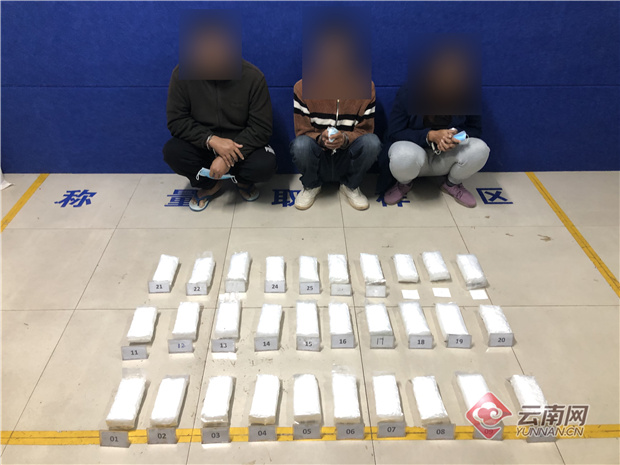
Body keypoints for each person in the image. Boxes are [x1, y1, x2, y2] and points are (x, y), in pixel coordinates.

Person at [163, 18, 275, 211]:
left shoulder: (253, 77)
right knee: (172, 152)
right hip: (202, 144)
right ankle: (210, 184)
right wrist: (210, 140)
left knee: (265, 164)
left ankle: (243, 181)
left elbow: (261, 128)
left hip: (241, 146)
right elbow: (177, 121)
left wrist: (227, 157)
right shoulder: (181, 74)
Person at [377, 38, 489, 207]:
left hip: (447, 156)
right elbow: (394, 132)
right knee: (402, 155)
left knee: (480, 149)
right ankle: (403, 184)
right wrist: (430, 136)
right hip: (416, 153)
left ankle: (452, 184)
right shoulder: (409, 92)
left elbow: (475, 130)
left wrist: (455, 137)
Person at [290, 23, 382, 211]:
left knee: (372, 142)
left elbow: (365, 132)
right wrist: (321, 138)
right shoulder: (302, 87)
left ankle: (351, 185)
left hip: (347, 157)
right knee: (300, 145)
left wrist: (345, 138)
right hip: (319, 157)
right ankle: (311, 185)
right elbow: (302, 132)